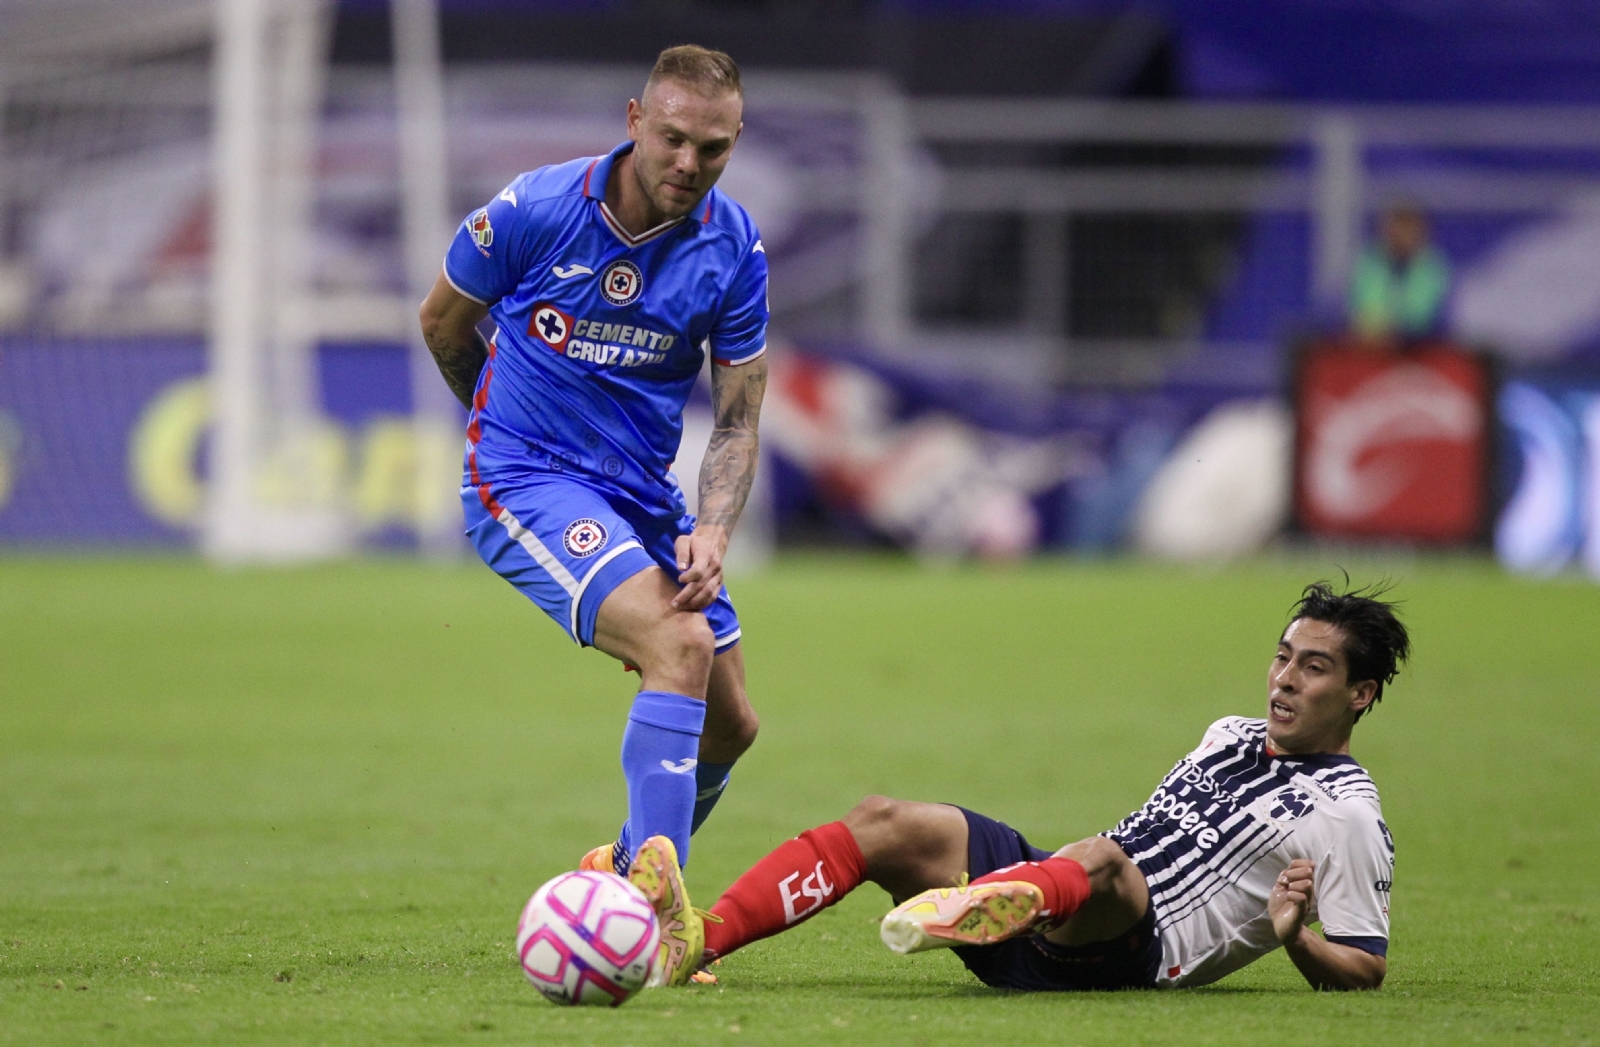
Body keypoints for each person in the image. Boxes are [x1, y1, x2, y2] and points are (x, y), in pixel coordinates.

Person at [417, 45, 768, 986]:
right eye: (673, 139)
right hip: (527, 478)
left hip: (644, 497)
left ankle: (617, 871)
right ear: (633, 121)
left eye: (714, 148)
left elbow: (737, 418)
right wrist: (499, 433)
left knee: (732, 725)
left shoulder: (733, 248)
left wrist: (715, 527)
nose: (689, 164)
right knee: (679, 648)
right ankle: (659, 921)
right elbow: (444, 323)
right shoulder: (532, 212)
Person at [694, 582, 1408, 992]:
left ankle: (993, 903)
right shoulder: (1227, 731)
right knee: (884, 819)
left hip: (1131, 943)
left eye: (1314, 667)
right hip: (1063, 888)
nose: (1285, 678)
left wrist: (1297, 940)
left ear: (1360, 693)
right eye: (1284, 656)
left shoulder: (1346, 815)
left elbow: (1365, 968)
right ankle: (695, 942)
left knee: (1105, 860)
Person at [1349, 203, 1452, 344]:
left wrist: (1393, 325)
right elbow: (1364, 306)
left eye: (1409, 229)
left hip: (1420, 346)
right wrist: (1376, 325)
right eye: (1398, 227)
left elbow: (1424, 313)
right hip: (1372, 344)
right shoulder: (1369, 261)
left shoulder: (1433, 266)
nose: (1403, 235)